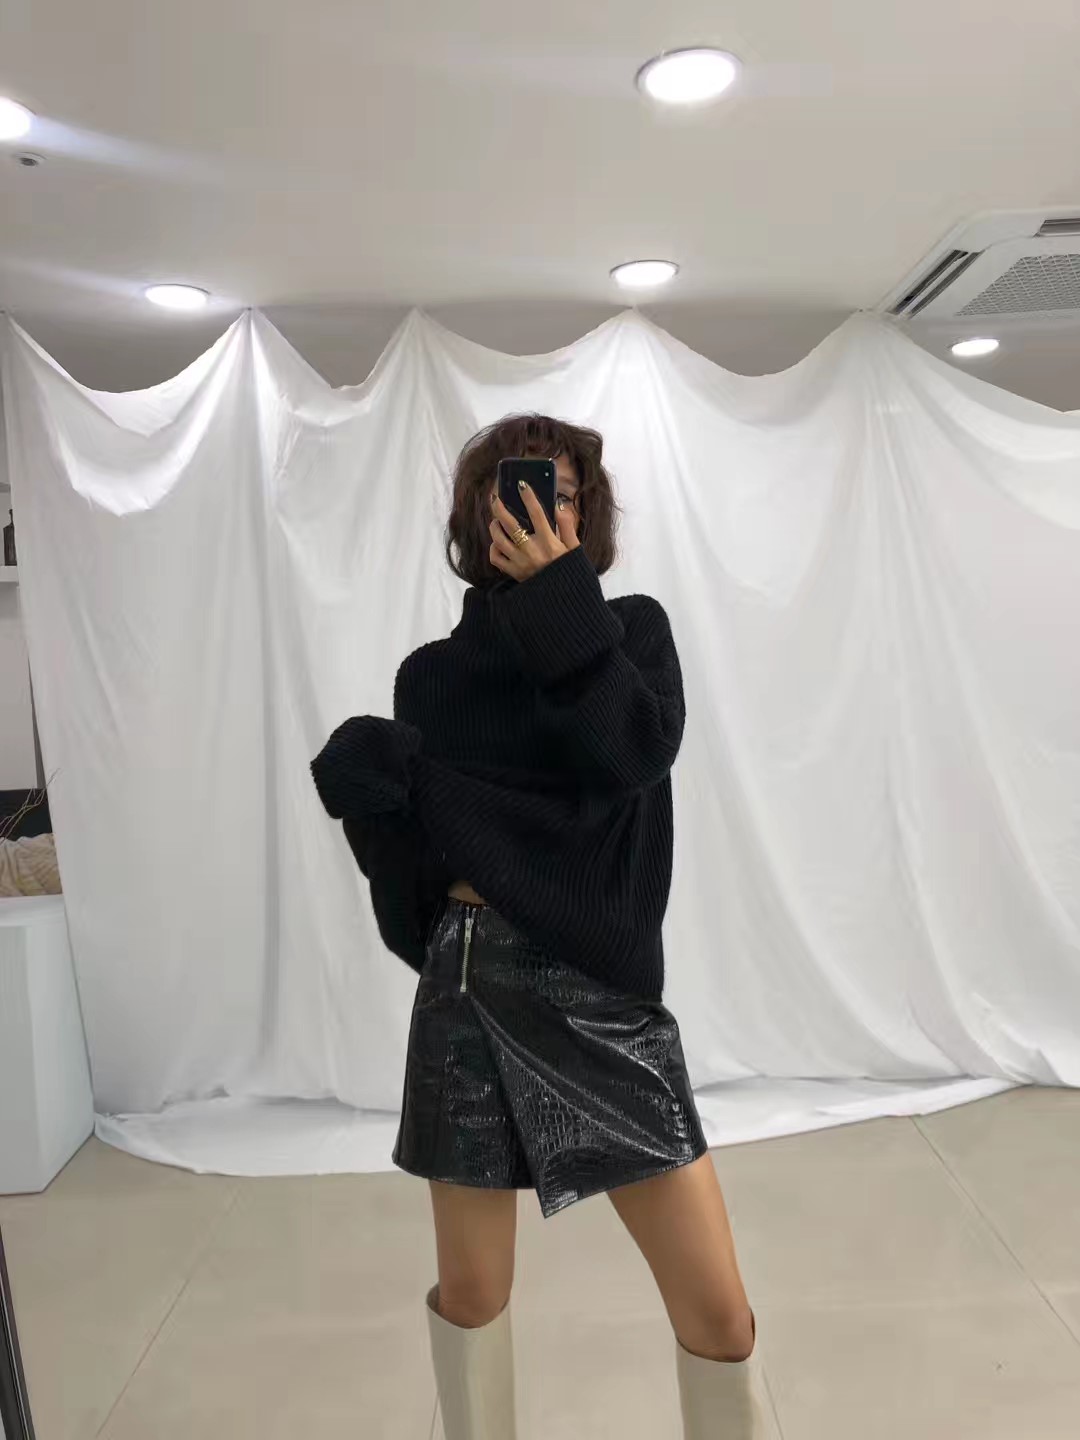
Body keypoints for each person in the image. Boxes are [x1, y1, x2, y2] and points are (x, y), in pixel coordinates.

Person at [312, 415, 774, 1439]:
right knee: (472, 1296)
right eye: (510, 493)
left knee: (718, 1312)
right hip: (466, 983)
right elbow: (427, 857)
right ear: (475, 517)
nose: (533, 512)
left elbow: (630, 756)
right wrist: (371, 800)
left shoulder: (630, 634)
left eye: (557, 495)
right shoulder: (431, 676)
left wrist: (560, 602)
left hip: (595, 991)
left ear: (585, 516)